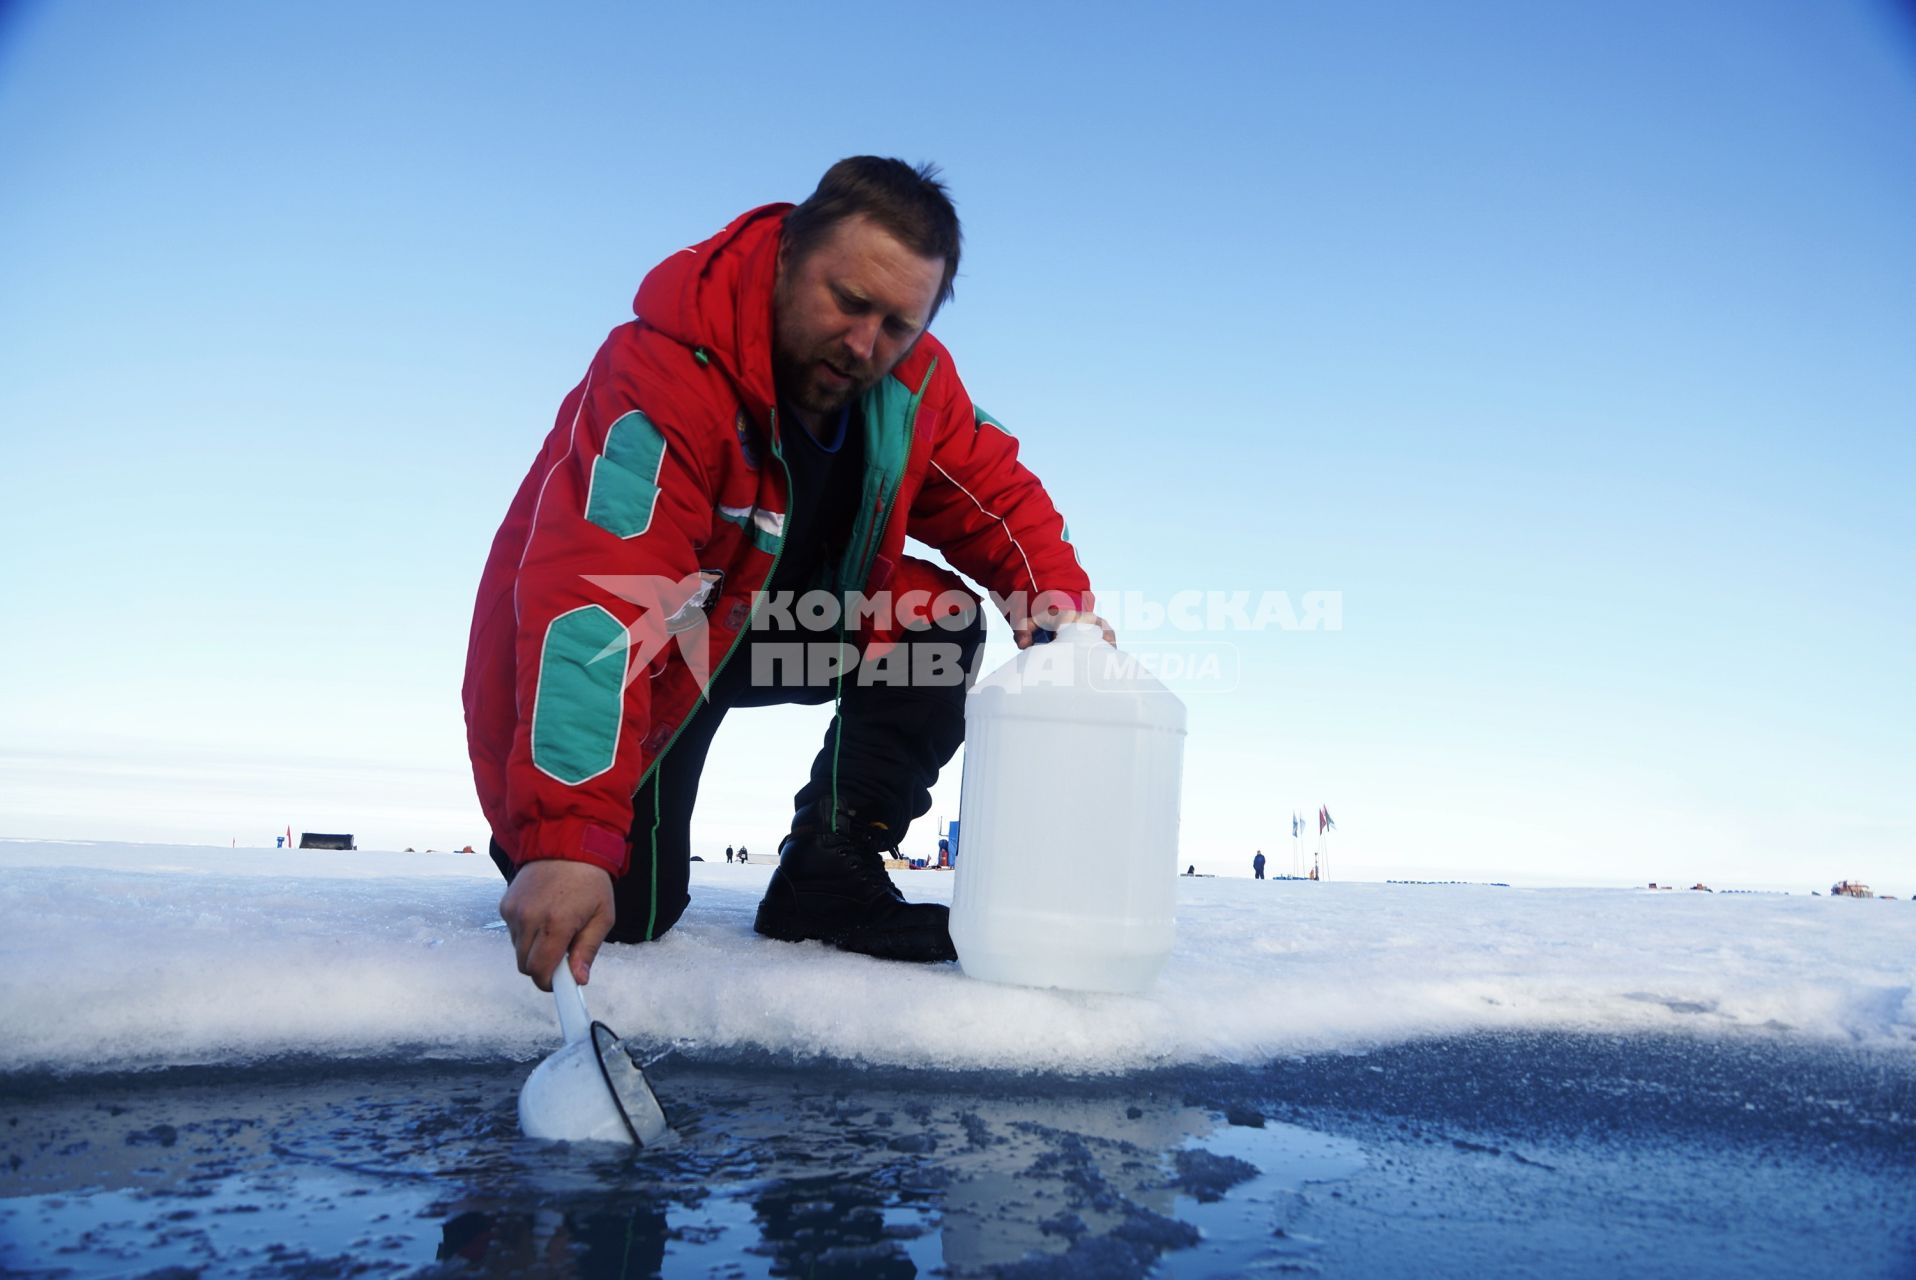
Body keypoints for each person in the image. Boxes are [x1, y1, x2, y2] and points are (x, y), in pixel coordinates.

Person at [465, 157, 1109, 991]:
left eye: (897, 325)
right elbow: (595, 600)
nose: (863, 344)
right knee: (626, 911)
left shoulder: (913, 385)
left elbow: (996, 498)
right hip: (652, 651)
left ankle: (828, 871)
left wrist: (1060, 612)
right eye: (847, 301)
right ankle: (546, 831)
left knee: (937, 619)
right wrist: (562, 838)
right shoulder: (661, 376)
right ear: (785, 255)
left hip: (777, 634)